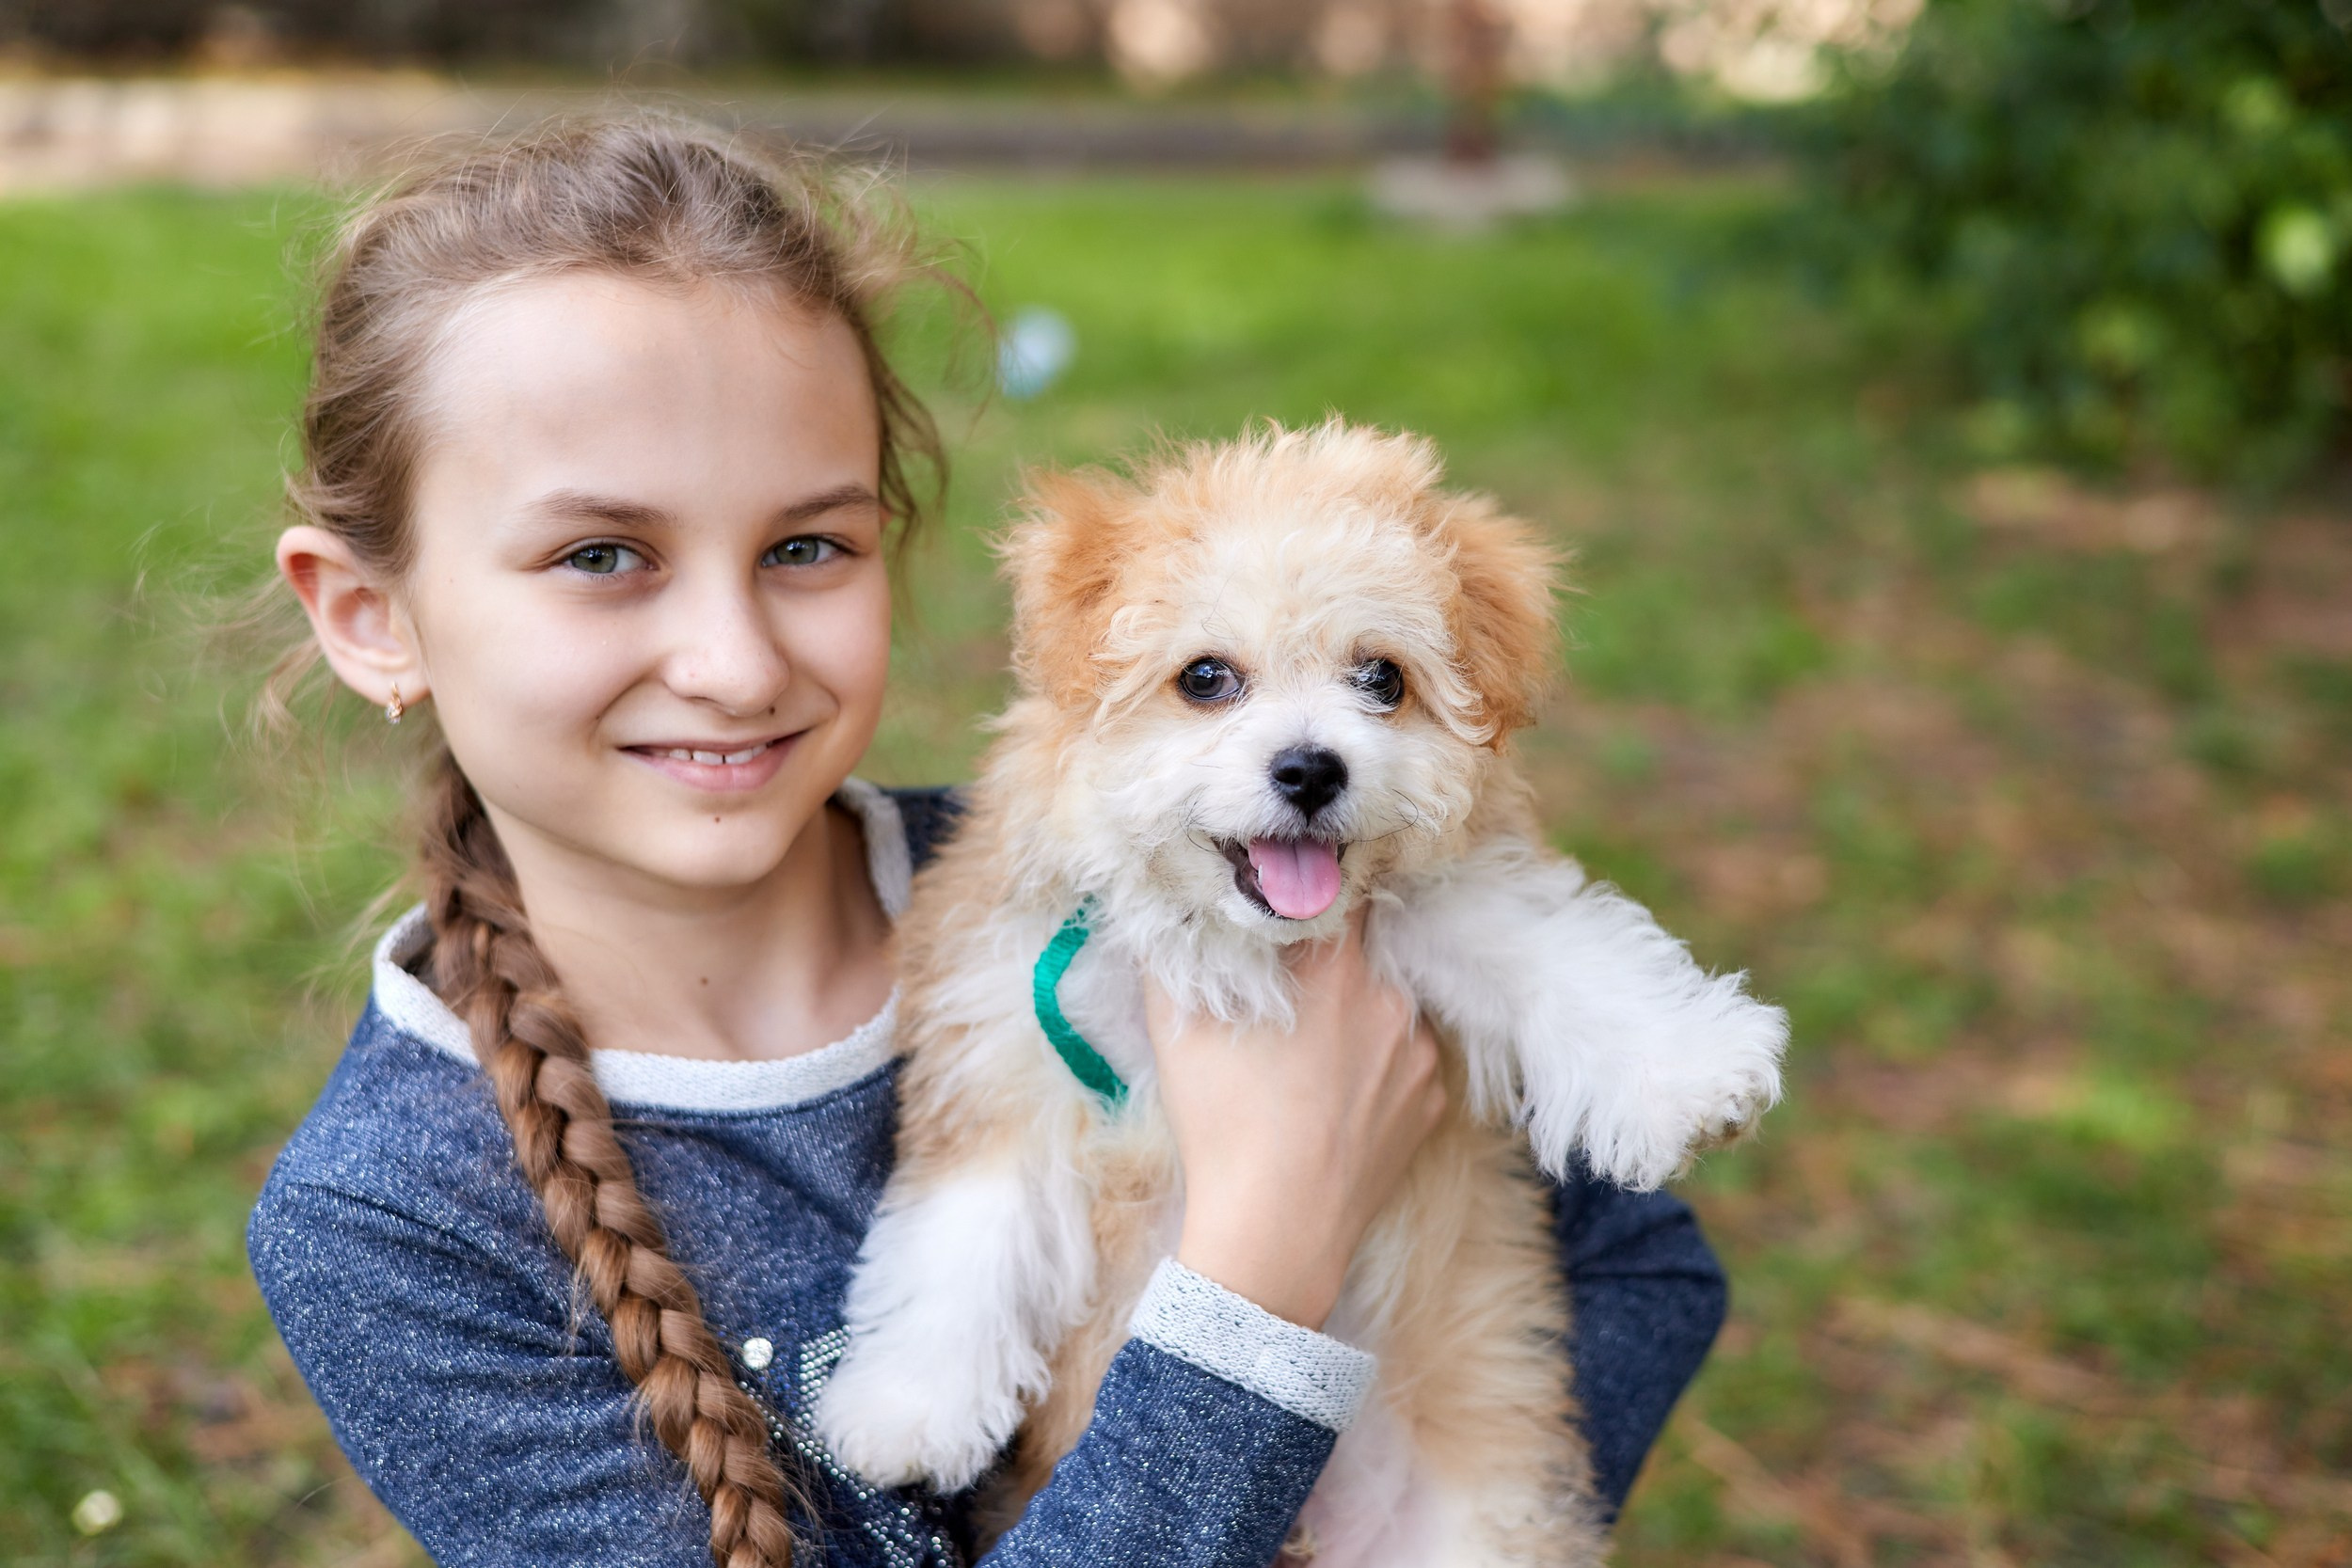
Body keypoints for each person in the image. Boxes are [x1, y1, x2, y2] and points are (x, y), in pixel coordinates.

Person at [246, 117, 1728, 1568]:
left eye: (806, 547)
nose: (733, 660)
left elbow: (1637, 1263)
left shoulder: (1162, 883)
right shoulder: (396, 1222)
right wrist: (1266, 1260)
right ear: (372, 617)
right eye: (601, 557)